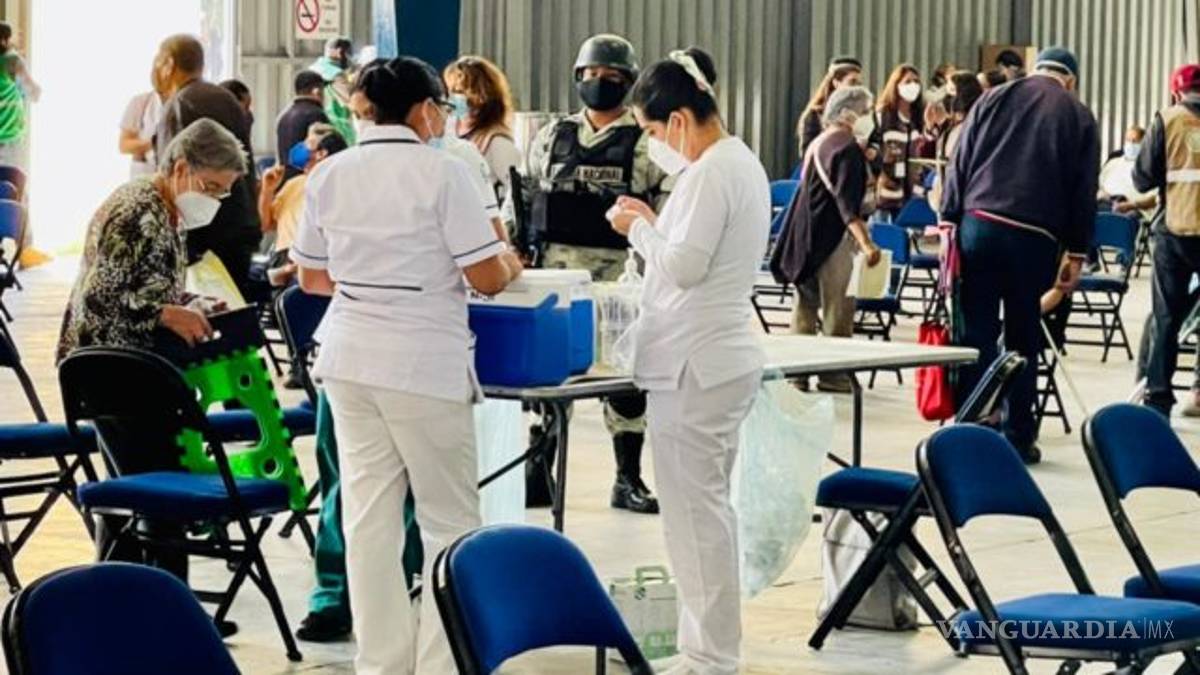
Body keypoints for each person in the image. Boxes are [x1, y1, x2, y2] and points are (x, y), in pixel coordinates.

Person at [290, 56, 522, 674]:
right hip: (421, 363)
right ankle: (442, 665)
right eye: (439, 108)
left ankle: (382, 663)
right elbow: (486, 276)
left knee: (369, 521)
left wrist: (370, 280)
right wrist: (508, 262)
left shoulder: (329, 173)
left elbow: (311, 278)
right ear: (423, 110)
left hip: (349, 359)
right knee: (450, 521)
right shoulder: (444, 174)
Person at [606, 47, 769, 675]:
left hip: (696, 363)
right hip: (715, 359)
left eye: (651, 130)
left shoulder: (709, 173)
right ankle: (705, 647)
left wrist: (637, 230)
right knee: (704, 514)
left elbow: (684, 265)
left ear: (677, 119)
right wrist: (655, 222)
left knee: (696, 520)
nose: (652, 145)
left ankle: (710, 657)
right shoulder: (739, 162)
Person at [56, 118, 244, 634]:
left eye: (223, 193)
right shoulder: (138, 209)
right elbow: (101, 298)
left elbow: (148, 286)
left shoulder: (165, 212)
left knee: (133, 494)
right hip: (112, 369)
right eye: (211, 187)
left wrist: (190, 303)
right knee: (159, 494)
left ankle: (137, 608)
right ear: (181, 168)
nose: (214, 200)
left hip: (132, 368)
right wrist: (166, 314)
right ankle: (163, 615)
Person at [515, 33, 671, 514]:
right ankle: (538, 471)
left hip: (619, 282)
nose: (600, 82)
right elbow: (525, 196)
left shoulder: (647, 142)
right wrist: (515, 246)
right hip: (554, 280)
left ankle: (627, 477)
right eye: (591, 74)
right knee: (550, 381)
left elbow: (667, 212)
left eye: (612, 76)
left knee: (625, 381)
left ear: (629, 82)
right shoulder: (552, 135)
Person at [942, 47, 1098, 463]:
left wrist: (949, 218)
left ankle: (972, 425)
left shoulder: (993, 97)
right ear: (1071, 80)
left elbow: (960, 159)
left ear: (1035, 70)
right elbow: (1083, 191)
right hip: (1034, 236)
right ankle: (1018, 433)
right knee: (1022, 335)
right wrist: (1077, 252)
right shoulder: (1079, 115)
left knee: (976, 330)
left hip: (979, 223)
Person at [772, 86, 882, 393]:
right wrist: (867, 244)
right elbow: (847, 205)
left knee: (804, 308)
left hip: (804, 235)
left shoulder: (819, 143)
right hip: (833, 238)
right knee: (838, 309)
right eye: (865, 111)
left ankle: (797, 374)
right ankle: (833, 375)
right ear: (848, 113)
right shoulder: (846, 148)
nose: (869, 118)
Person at [153, 34, 261, 298]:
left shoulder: (179, 104)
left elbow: (171, 178)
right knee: (232, 309)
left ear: (168, 64)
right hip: (239, 228)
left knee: (202, 314)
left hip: (203, 239)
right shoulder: (226, 98)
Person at [1134, 63, 1200, 417]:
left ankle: (1158, 399)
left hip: (1175, 231)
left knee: (1166, 317)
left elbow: (1142, 178)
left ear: (1176, 92)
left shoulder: (1167, 119)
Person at [259, 123, 345, 288]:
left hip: (314, 259)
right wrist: (267, 191)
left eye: (308, 146)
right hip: (284, 256)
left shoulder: (337, 187)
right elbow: (266, 224)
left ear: (322, 153)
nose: (301, 150)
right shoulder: (294, 184)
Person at [0, 22, 47, 268]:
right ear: (6, 40)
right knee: (17, 192)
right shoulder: (12, 61)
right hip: (9, 140)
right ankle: (25, 250)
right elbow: (33, 92)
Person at [443, 55, 522, 199]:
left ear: (480, 95)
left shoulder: (497, 142)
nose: (451, 99)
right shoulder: (447, 130)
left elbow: (519, 191)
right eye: (451, 91)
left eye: (459, 92)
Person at [872, 64, 930, 215]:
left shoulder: (922, 114)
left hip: (915, 190)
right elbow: (874, 147)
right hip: (888, 192)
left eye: (916, 81)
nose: (913, 85)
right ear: (896, 85)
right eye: (908, 81)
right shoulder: (883, 115)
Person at [928, 71, 984, 214]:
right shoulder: (952, 128)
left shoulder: (968, 129)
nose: (946, 99)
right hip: (950, 201)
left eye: (952, 92)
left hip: (962, 204)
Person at [796, 58, 863, 156]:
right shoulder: (816, 115)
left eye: (859, 84)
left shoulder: (863, 113)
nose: (856, 87)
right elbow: (808, 152)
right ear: (836, 82)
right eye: (852, 82)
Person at [276, 70, 329, 181]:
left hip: (286, 181)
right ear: (316, 91)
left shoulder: (284, 115)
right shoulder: (316, 114)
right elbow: (326, 151)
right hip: (307, 180)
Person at [1100, 125, 1157, 216]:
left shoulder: (1150, 168)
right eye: (1128, 140)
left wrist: (1131, 205)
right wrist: (1105, 196)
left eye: (1135, 141)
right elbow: (1098, 186)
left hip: (1134, 213)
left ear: (1144, 144)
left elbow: (1155, 199)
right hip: (1106, 207)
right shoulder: (1112, 163)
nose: (1130, 144)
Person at [309, 37, 356, 145]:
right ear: (339, 52)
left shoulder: (313, 69)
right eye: (348, 54)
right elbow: (351, 100)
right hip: (338, 128)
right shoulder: (336, 74)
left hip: (316, 125)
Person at [119, 90, 164, 178]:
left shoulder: (185, 100)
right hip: (146, 170)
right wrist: (155, 142)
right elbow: (124, 145)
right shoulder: (141, 101)